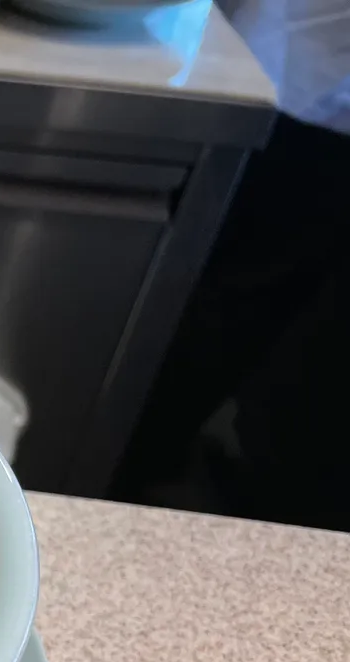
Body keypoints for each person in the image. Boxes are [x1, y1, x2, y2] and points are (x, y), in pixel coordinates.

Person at [114, 0, 350, 531]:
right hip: (300, 88)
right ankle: (143, 465)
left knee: (259, 313)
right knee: (232, 301)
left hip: (303, 79)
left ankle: (153, 468)